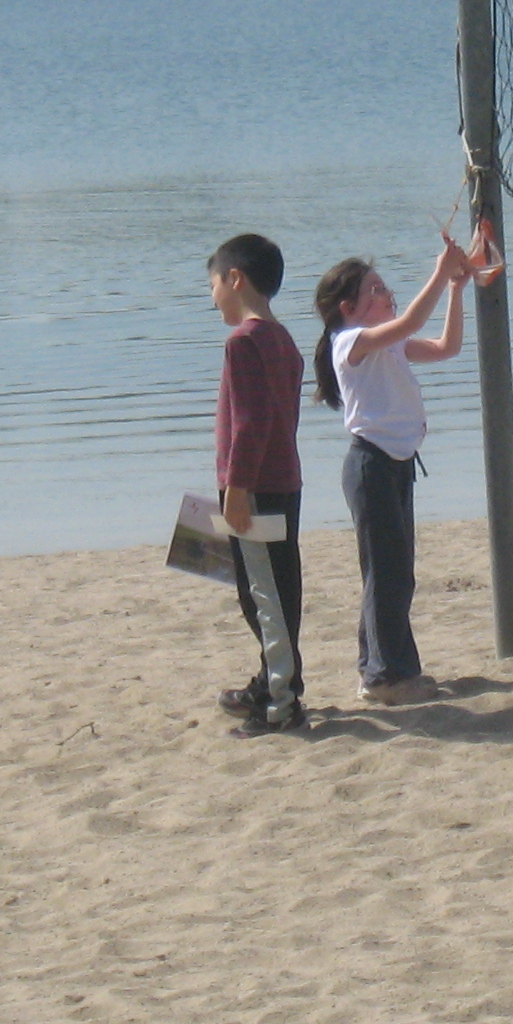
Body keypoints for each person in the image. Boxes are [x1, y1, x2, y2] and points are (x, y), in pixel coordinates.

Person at [311, 235, 471, 705]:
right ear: (348, 308)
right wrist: (441, 272)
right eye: (375, 290)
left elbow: (447, 346)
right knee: (387, 576)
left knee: (396, 573)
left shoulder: (390, 343)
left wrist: (457, 288)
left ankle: (382, 669)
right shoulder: (350, 342)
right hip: (371, 465)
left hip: (397, 465)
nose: (386, 293)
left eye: (383, 286)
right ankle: (384, 676)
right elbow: (412, 321)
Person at [209, 233, 306, 735]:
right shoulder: (283, 339)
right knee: (276, 590)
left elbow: (250, 424)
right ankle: (272, 679)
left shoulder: (244, 342)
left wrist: (236, 489)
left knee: (264, 596)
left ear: (235, 279)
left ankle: (281, 702)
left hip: (256, 487)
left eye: (213, 285)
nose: (213, 298)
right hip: (284, 480)